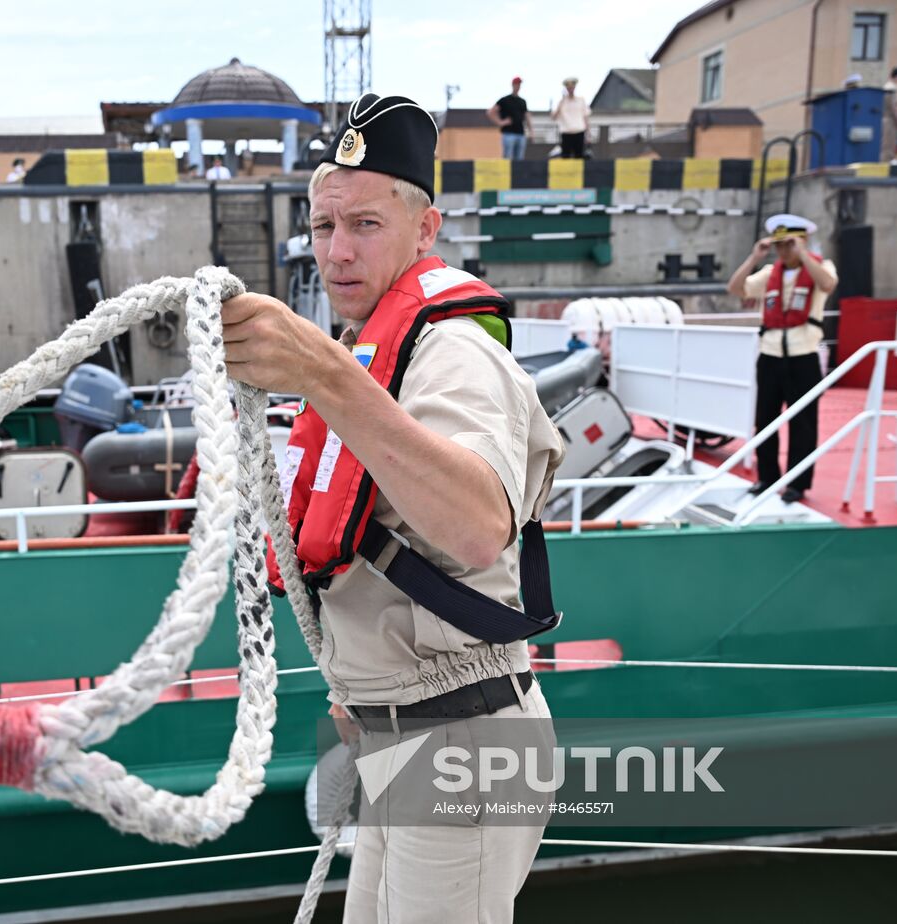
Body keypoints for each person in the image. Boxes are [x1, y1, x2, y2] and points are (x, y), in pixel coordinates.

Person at [222, 92, 565, 923]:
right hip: (399, 735)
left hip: (463, 744)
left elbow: (481, 525)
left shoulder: (451, 353)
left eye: (366, 225)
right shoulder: (368, 346)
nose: (337, 251)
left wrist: (325, 375)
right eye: (323, 226)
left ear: (425, 230)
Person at [726, 214, 839, 504]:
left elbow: (827, 285)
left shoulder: (820, 267)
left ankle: (797, 482)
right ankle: (767, 477)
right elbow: (736, 288)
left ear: (802, 241)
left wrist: (803, 253)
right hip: (771, 355)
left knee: (803, 423)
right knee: (765, 418)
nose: (784, 251)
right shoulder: (769, 273)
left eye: (789, 244)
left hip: (803, 357)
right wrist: (754, 258)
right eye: (780, 245)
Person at [488, 76, 532, 161]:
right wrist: (500, 122)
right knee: (507, 158)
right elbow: (490, 112)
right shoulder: (505, 100)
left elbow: (527, 116)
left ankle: (518, 174)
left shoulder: (522, 101)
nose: (518, 86)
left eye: (519, 84)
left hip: (520, 133)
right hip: (508, 134)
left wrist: (531, 131)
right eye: (516, 84)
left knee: (519, 160)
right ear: (513, 85)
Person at [551, 77, 590, 159]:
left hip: (579, 132)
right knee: (565, 157)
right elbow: (554, 117)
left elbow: (585, 117)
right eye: (568, 87)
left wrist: (588, 135)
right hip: (566, 133)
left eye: (572, 87)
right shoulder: (561, 102)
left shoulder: (581, 100)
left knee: (579, 157)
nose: (570, 89)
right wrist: (561, 102)